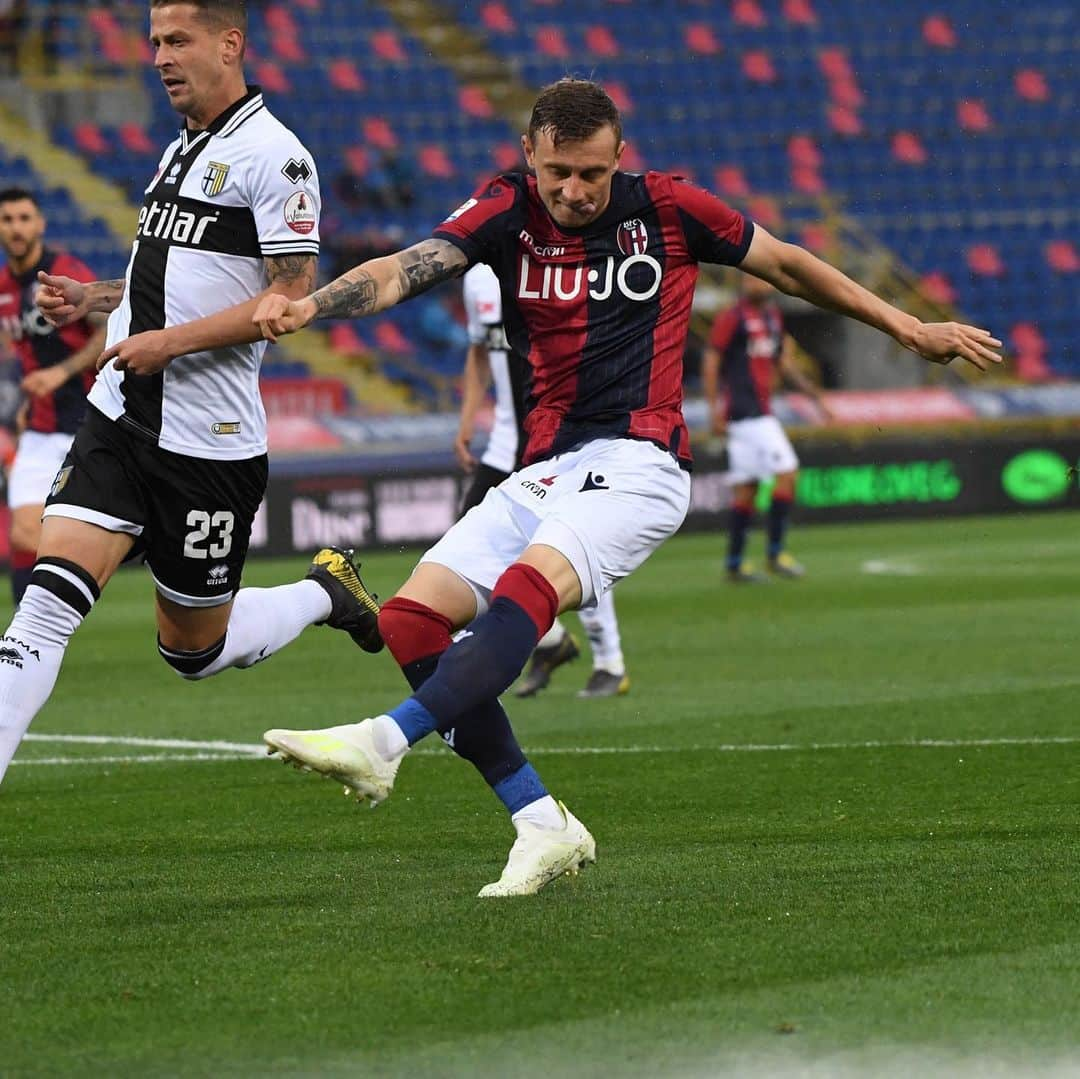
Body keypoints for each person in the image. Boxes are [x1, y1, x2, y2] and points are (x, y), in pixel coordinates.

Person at [244, 77, 996, 899]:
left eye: (592, 175)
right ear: (529, 153)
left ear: (619, 160)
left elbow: (786, 264)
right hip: (542, 468)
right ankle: (540, 821)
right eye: (557, 170)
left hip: (639, 461)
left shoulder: (670, 209)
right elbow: (409, 267)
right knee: (410, 618)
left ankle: (383, 743)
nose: (572, 190)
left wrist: (910, 326)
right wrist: (314, 303)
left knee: (525, 592)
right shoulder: (503, 209)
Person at [0, 0, 382, 788]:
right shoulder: (181, 150)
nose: (161, 57)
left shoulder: (278, 160)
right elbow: (176, 275)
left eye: (178, 41)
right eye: (154, 43)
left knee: (193, 652)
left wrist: (164, 344)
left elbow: (286, 300)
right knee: (41, 610)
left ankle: (323, 591)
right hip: (118, 418)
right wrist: (98, 298)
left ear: (229, 43)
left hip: (207, 445)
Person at [456, 261, 629, 699]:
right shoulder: (476, 277)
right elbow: (480, 351)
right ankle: (550, 641)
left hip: (554, 446)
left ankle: (610, 662)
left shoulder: (554, 263)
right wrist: (466, 420)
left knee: (575, 549)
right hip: (501, 447)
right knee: (467, 558)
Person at [0, 186, 106, 606]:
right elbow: (21, 354)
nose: (16, 228)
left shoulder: (63, 271)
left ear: (40, 223)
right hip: (41, 427)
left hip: (86, 421)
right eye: (7, 220)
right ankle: (26, 642)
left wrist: (60, 372)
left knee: (63, 534)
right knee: (23, 535)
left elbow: (108, 328)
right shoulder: (5, 288)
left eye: (24, 218)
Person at [702, 275, 833, 581]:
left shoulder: (773, 317)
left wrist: (815, 398)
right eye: (750, 278)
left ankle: (735, 563)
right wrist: (713, 409)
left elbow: (783, 364)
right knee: (787, 472)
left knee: (747, 489)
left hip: (759, 413)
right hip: (746, 413)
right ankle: (775, 554)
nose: (757, 283)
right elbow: (711, 361)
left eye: (761, 278)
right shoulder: (731, 318)